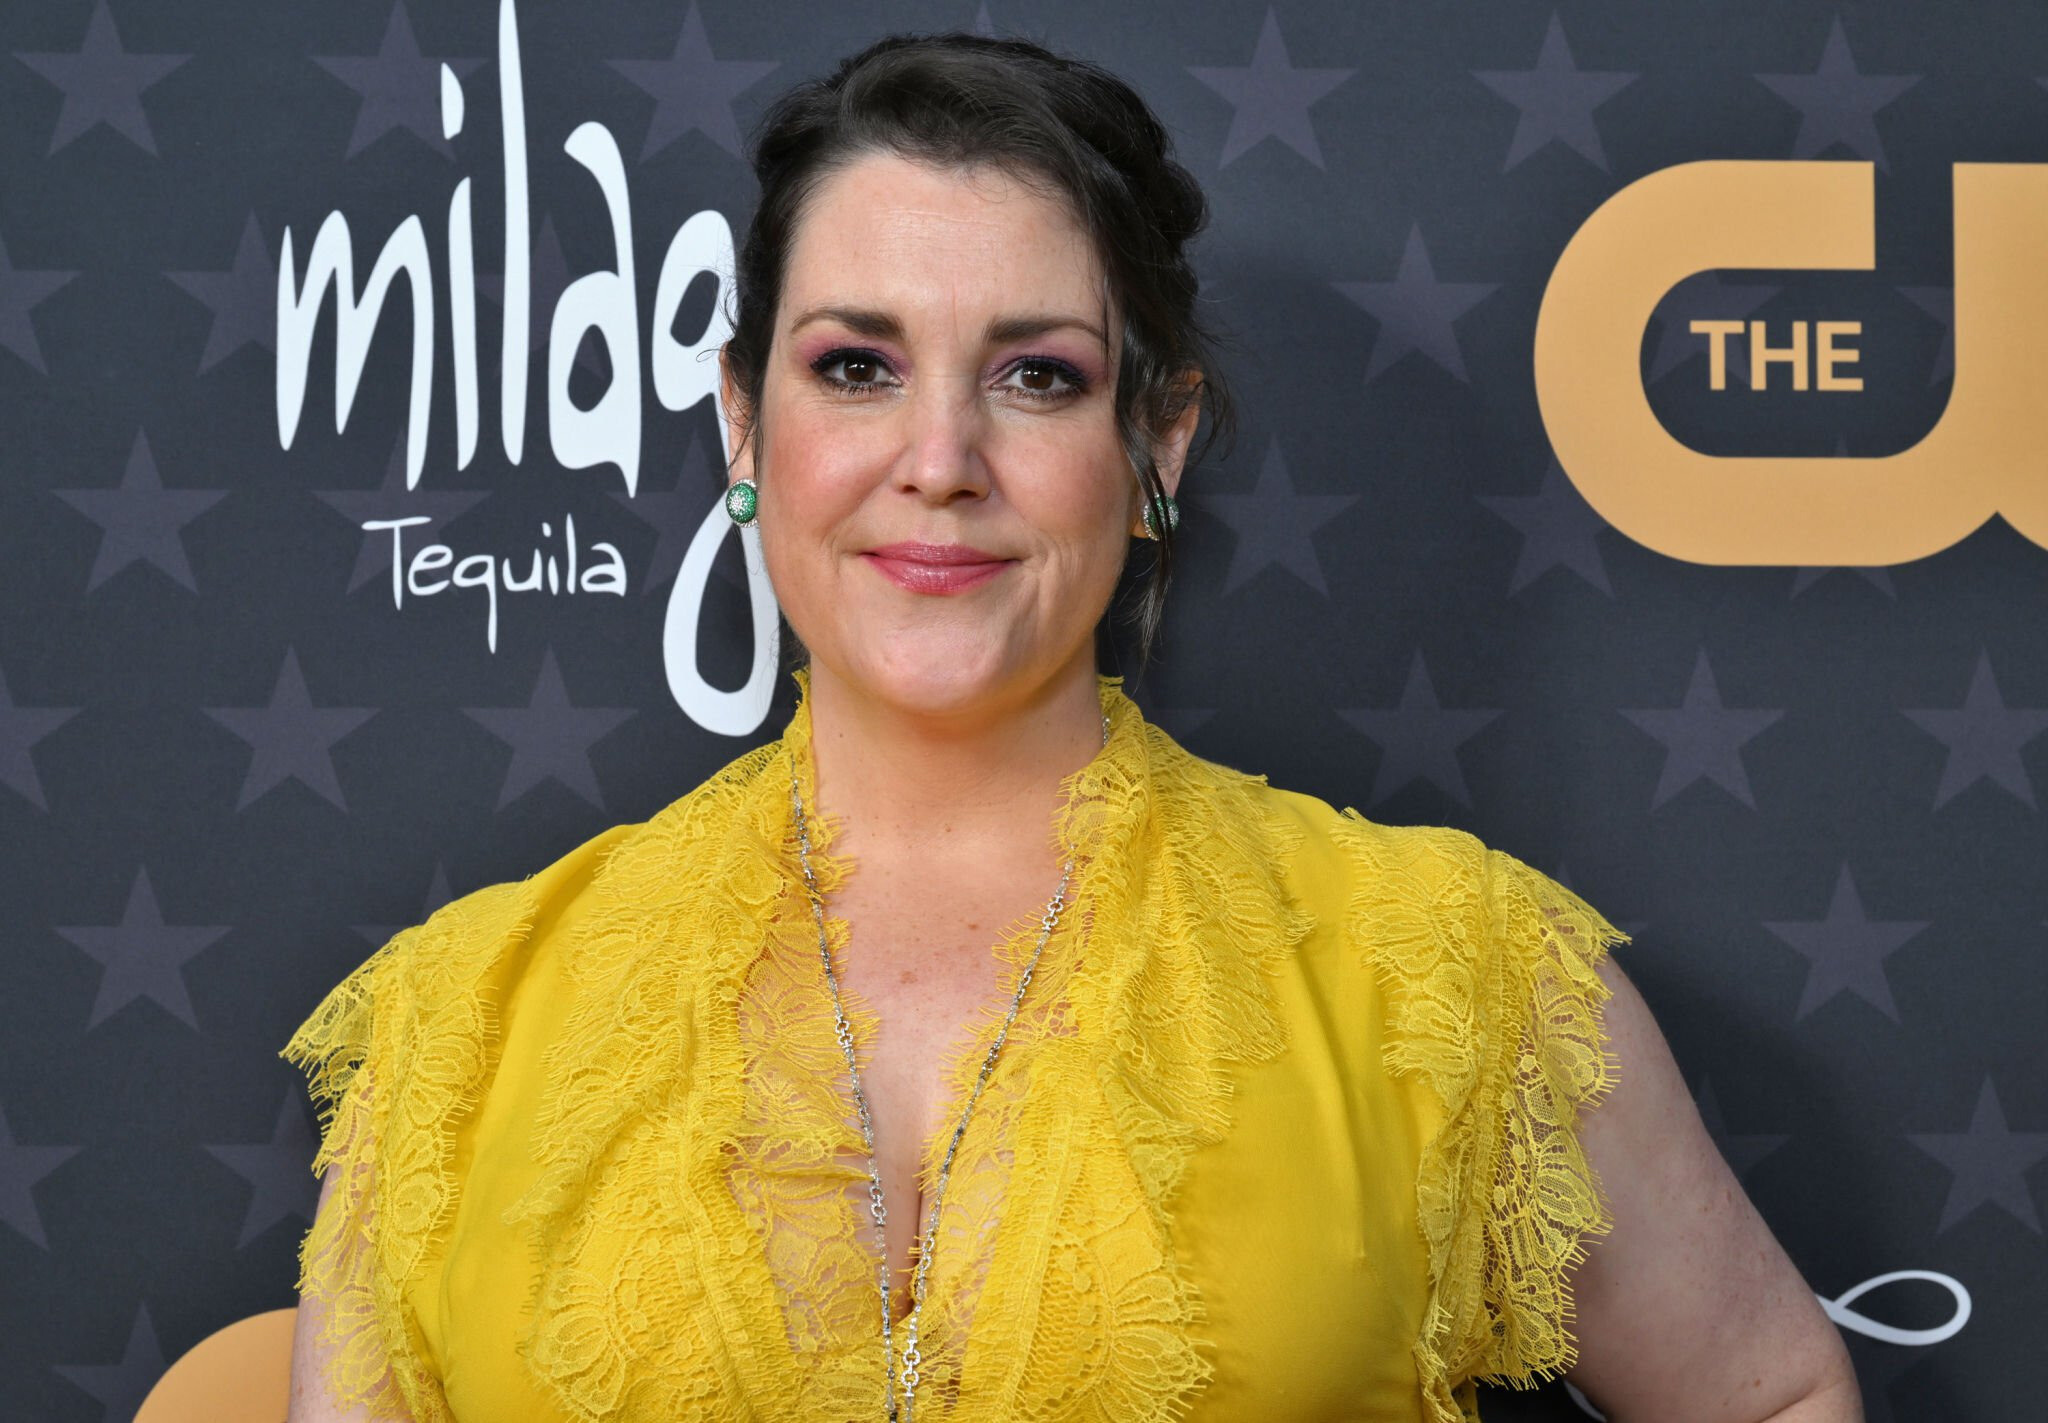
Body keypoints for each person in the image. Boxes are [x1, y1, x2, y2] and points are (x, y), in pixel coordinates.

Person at [282, 30, 1864, 1423]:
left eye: (1036, 376)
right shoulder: (463, 1032)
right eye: (856, 367)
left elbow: (1773, 1393)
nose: (939, 458)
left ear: (1155, 443)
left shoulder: (1444, 978)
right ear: (745, 424)